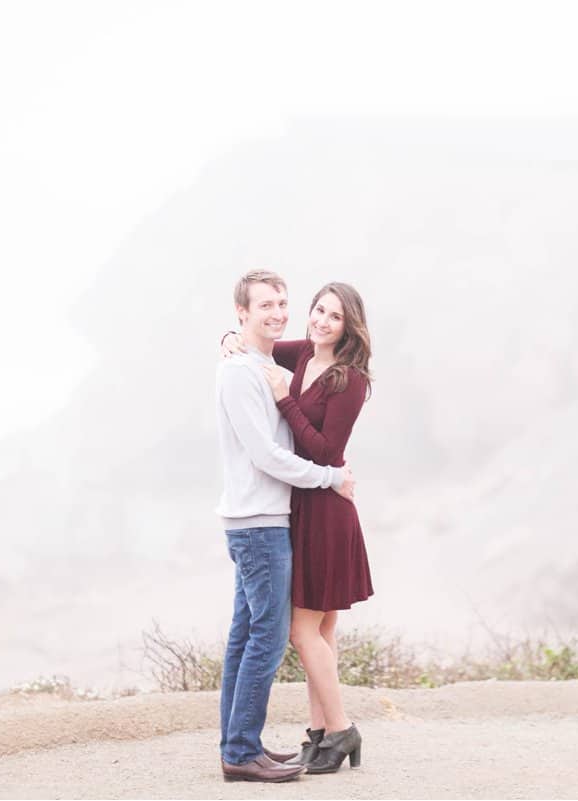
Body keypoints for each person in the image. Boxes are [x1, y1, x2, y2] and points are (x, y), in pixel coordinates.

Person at [221, 281, 372, 774]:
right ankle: (321, 734)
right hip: (301, 506)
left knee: (301, 629)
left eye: (334, 317)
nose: (320, 322)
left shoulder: (349, 379)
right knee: (321, 629)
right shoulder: (305, 354)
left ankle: (342, 728)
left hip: (325, 509)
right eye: (318, 311)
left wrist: (285, 400)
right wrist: (229, 335)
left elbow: (326, 452)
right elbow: (254, 342)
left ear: (350, 327)